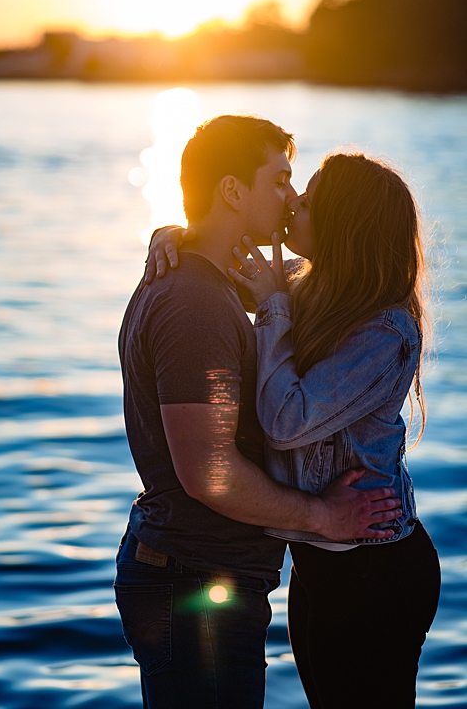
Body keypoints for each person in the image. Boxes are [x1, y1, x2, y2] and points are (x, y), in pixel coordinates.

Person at [116, 116, 403, 709]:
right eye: (280, 181)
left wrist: (174, 233)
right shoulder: (197, 303)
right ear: (232, 191)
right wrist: (322, 517)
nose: (293, 198)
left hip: (208, 573)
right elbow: (208, 474)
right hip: (195, 576)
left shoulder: (224, 286)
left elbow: (318, 286)